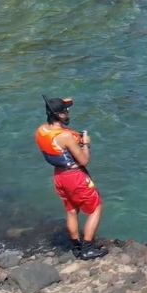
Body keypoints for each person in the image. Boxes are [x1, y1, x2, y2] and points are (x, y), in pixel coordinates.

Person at [35, 97, 107, 260]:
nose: (68, 112)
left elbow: (57, 150)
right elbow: (83, 160)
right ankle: (87, 248)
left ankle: (76, 246)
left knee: (71, 210)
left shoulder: (41, 131)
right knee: (96, 208)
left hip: (59, 176)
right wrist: (85, 144)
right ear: (60, 115)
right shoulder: (66, 136)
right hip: (74, 176)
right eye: (66, 110)